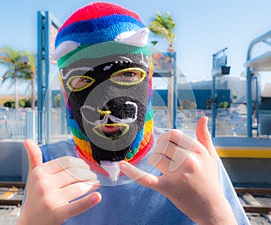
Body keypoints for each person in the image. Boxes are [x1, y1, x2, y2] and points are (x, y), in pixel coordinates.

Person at [18, 2, 250, 225]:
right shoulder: (49, 167)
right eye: (81, 80)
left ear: (148, 80)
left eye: (127, 75)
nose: (105, 102)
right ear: (67, 94)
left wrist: (217, 216)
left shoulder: (191, 160)